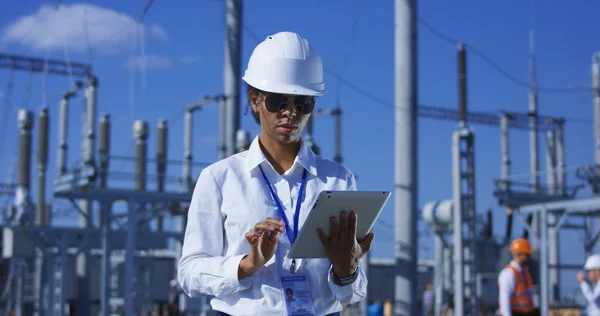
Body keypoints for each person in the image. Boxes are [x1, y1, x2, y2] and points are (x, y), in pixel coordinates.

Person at [177, 31, 374, 316]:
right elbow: (189, 271)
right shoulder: (219, 178)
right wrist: (246, 265)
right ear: (255, 99)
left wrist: (347, 271)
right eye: (278, 102)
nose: (290, 113)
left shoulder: (339, 180)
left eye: (302, 104)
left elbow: (353, 293)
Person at [497, 238, 539, 316]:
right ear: (518, 254)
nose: (529, 258)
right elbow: (504, 300)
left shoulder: (525, 273)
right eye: (527, 255)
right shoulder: (508, 274)